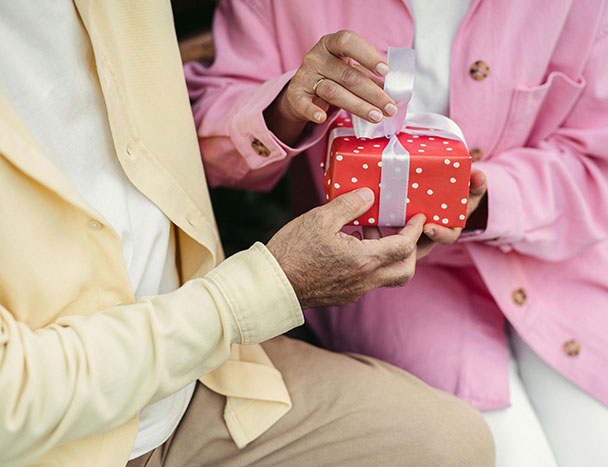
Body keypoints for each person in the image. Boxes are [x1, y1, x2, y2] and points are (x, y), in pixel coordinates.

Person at [185, 0, 608, 466]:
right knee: (504, 451)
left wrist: (489, 198)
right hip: (389, 274)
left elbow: (603, 163)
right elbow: (204, 146)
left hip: (558, 256)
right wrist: (286, 107)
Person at [0, 2, 495, 466]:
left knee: (457, 443)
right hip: (56, 440)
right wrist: (263, 289)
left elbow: (184, 139)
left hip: (203, 377)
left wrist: (281, 110)